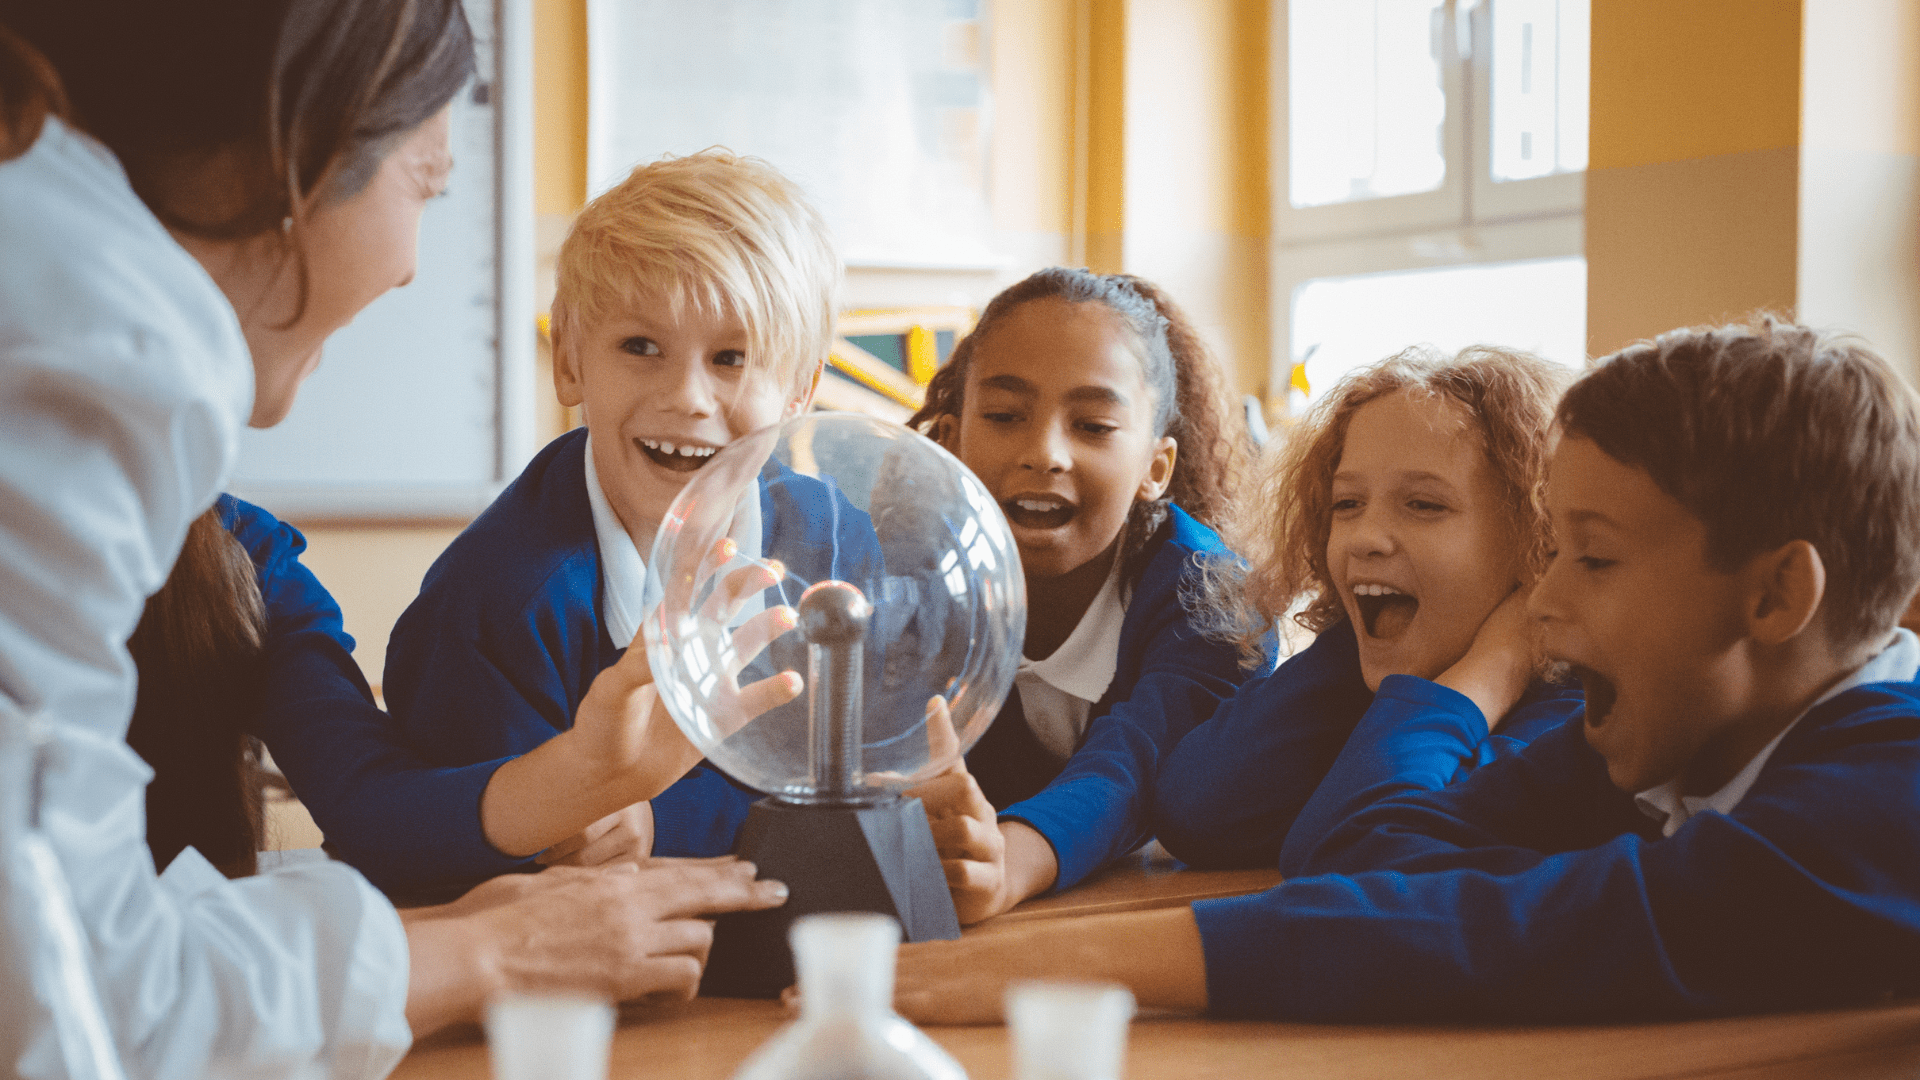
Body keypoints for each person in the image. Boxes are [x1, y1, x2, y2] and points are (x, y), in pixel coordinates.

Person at [0, 6, 781, 1076]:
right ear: (299, 151)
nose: (415, 266)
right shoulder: (95, 375)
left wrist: (566, 805)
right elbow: (73, 1003)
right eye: (430, 182)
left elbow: (339, 808)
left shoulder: (236, 550)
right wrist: (489, 950)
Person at [889, 318, 1920, 1024]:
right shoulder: (1672, 736)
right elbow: (1362, 858)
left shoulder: (1891, 795)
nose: (1546, 606)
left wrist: (1064, 966)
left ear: (1777, 599)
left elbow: (1515, 933)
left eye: (1591, 560)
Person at [354, 150, 846, 900]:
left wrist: (664, 823)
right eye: (641, 347)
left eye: (731, 358)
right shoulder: (490, 607)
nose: (687, 396)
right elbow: (443, 865)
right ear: (571, 361)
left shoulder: (836, 546)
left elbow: (855, 779)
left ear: (799, 391)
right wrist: (583, 829)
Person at [900, 269, 1257, 925]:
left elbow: (1134, 766)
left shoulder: (1217, 598)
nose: (1045, 453)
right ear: (949, 442)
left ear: (1156, 467)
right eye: (1006, 417)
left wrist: (1007, 864)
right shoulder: (907, 582)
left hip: (1141, 918)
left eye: (1093, 426)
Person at [1151, 347, 1578, 878]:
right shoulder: (1373, 667)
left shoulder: (1570, 721)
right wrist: (1352, 645)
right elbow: (1197, 811)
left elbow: (1348, 859)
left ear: (1538, 540)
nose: (1364, 539)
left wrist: (1495, 667)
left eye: (1425, 505)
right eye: (1346, 505)